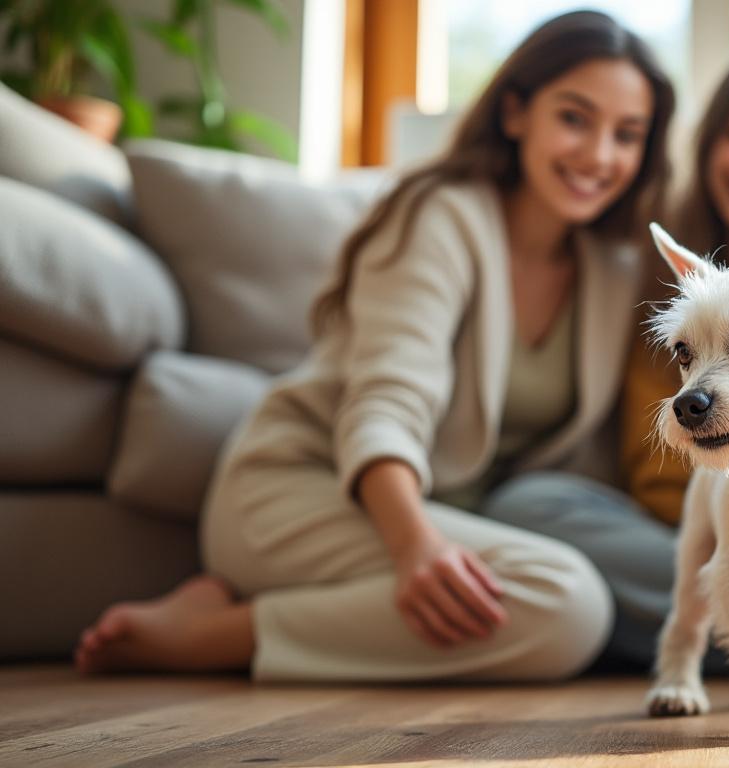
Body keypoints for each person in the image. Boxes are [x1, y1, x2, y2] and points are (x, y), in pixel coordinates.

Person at [74, 10, 676, 682]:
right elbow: (388, 400)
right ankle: (220, 634)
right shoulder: (440, 217)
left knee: (580, 595)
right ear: (515, 114)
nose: (599, 155)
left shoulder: (614, 265)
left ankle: (233, 606)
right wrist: (415, 545)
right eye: (574, 118)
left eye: (627, 135)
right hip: (307, 489)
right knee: (569, 607)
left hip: (443, 512)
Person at [482, 38, 729, 673]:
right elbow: (656, 468)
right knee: (528, 505)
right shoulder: (651, 269)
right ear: (709, 137)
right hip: (705, 526)